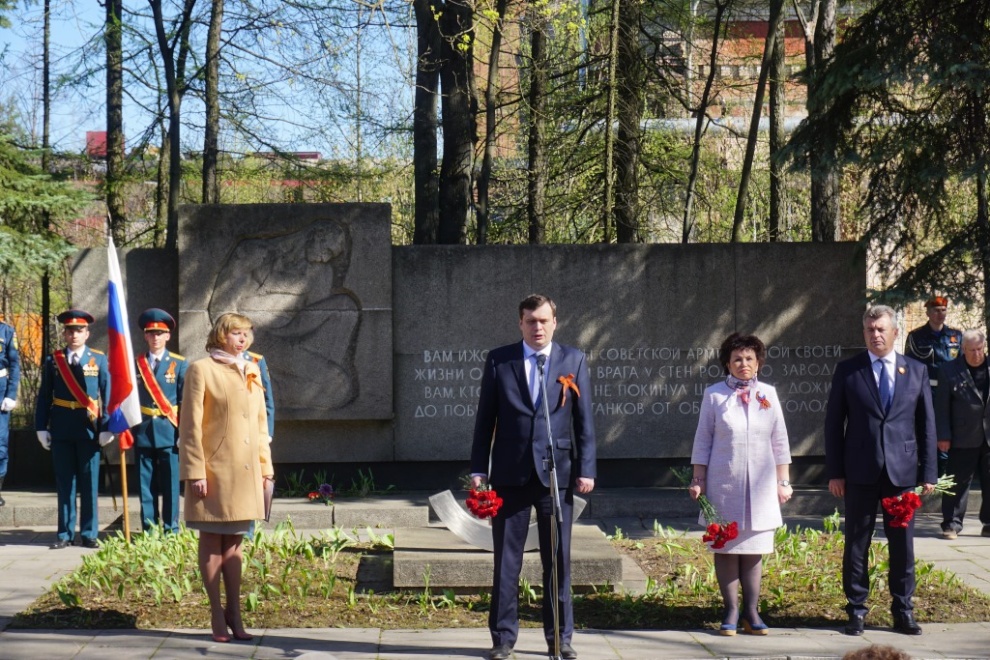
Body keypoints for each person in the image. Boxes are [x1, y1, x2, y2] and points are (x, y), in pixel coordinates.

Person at [469, 294, 596, 660]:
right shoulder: (500, 360)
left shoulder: (573, 360)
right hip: (510, 475)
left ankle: (560, 639)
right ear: (520, 324)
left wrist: (587, 468)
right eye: (530, 321)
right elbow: (485, 419)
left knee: (558, 560)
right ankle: (503, 639)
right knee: (507, 562)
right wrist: (479, 469)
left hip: (555, 477)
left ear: (555, 322)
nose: (537, 327)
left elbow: (584, 420)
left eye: (543, 321)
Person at [825, 305, 937, 636]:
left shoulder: (915, 371)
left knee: (902, 544)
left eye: (881, 329)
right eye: (870, 330)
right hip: (859, 472)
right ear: (864, 333)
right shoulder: (849, 370)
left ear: (895, 332)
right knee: (856, 543)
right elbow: (833, 424)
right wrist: (835, 472)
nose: (875, 334)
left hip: (902, 474)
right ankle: (856, 610)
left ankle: (903, 610)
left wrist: (929, 472)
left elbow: (926, 424)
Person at [688, 333, 792, 636]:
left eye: (749, 358)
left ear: (758, 362)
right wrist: (698, 479)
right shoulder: (714, 395)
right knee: (726, 547)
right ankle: (731, 610)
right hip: (725, 485)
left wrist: (783, 481)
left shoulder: (768, 394)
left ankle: (752, 612)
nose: (743, 364)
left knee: (753, 549)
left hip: (760, 488)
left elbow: (780, 440)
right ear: (727, 363)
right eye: (737, 359)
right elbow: (703, 440)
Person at [179, 312, 273, 643]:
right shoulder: (201, 369)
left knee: (235, 545)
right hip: (213, 472)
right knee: (211, 540)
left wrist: (266, 468)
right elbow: (190, 426)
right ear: (221, 335)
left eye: (246, 333)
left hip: (246, 474)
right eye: (236, 333)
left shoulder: (252, 369)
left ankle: (235, 612)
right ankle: (216, 613)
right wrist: (195, 472)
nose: (242, 339)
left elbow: (260, 425)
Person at [34, 310, 114, 549]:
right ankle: (64, 534)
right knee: (65, 483)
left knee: (90, 483)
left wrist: (107, 427)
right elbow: (44, 396)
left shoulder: (98, 359)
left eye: (79, 330)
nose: (74, 335)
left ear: (87, 333)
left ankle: (89, 533)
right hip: (61, 428)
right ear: (65, 334)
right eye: (70, 331)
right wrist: (41, 427)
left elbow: (108, 395)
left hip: (89, 430)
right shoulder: (53, 360)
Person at [133, 309, 187, 533]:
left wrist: (183, 432)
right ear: (145, 336)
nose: (155, 337)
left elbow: (185, 401)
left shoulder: (179, 364)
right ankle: (149, 529)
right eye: (151, 333)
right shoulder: (135, 364)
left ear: (168, 336)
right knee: (145, 484)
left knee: (171, 484)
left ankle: (171, 529)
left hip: (169, 431)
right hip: (143, 430)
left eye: (160, 333)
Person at [934, 329, 990, 540]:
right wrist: (943, 435)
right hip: (961, 435)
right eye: (971, 350)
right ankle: (951, 524)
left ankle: (989, 523)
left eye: (980, 349)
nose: (976, 354)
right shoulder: (949, 370)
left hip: (989, 435)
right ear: (963, 349)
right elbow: (941, 407)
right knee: (957, 483)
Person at [905, 296, 963, 474]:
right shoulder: (916, 337)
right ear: (928, 313)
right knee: (928, 430)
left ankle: (946, 473)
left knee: (949, 432)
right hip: (928, 390)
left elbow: (962, 365)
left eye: (943, 310)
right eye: (936, 311)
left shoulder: (956, 336)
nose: (940, 314)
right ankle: (929, 472)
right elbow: (909, 367)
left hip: (951, 392)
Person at [0, 317, 21, 507]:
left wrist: (11, 394)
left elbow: (14, 364)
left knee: (0, 443)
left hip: (0, 391)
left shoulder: (6, 331)